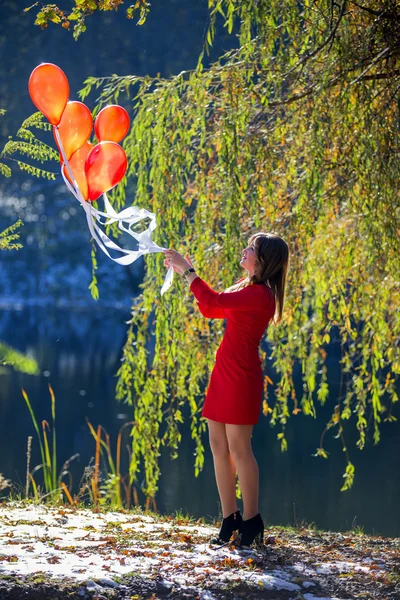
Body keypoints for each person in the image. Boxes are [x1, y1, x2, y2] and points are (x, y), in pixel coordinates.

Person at [163, 232, 289, 548]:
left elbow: (211, 301)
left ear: (263, 260)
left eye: (251, 249)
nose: (244, 251)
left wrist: (189, 272)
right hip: (223, 375)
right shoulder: (247, 289)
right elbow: (212, 307)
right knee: (219, 446)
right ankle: (229, 517)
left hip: (241, 379)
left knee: (239, 449)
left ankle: (252, 520)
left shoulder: (260, 295)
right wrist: (185, 271)